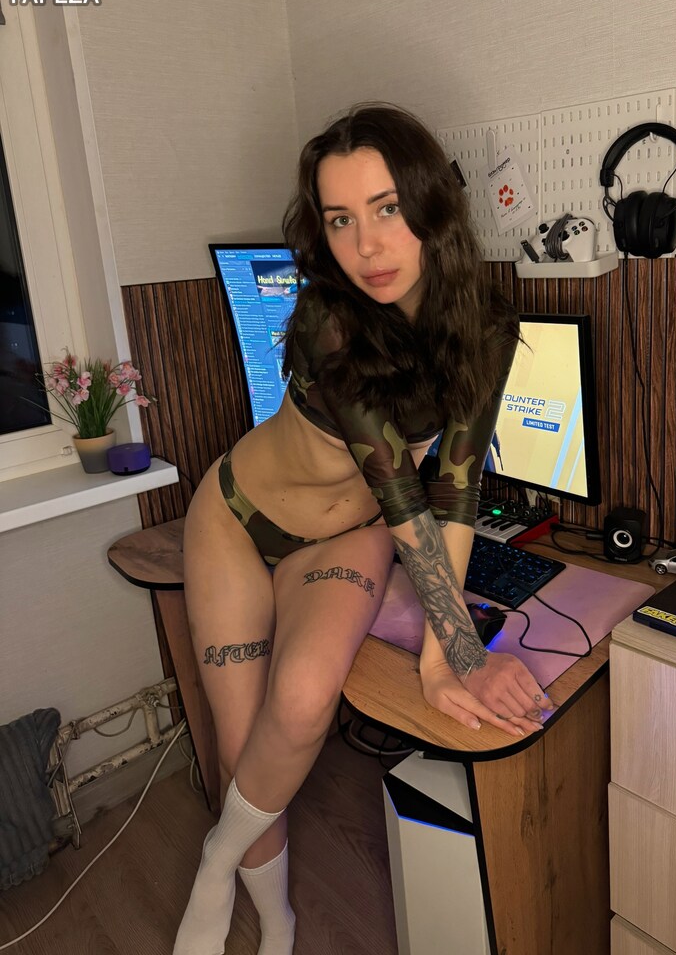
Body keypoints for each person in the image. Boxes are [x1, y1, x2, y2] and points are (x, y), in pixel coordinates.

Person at [174, 104, 552, 955]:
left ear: (430, 205)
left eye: (386, 209)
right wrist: (461, 649)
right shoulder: (329, 322)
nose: (366, 246)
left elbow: (453, 491)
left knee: (303, 705)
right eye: (340, 219)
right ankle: (269, 916)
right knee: (244, 746)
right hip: (238, 519)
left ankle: (217, 857)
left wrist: (446, 658)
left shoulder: (487, 329)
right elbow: (403, 496)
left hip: (347, 536)